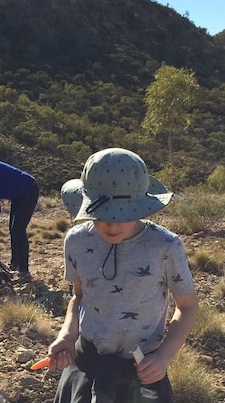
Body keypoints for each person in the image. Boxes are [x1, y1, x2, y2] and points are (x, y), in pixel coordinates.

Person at [48, 148, 199, 402]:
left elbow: (187, 307)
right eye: (102, 215)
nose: (112, 224)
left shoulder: (165, 246)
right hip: (87, 362)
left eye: (123, 214)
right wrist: (66, 336)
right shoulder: (76, 241)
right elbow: (79, 297)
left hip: (141, 370)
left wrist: (163, 357)